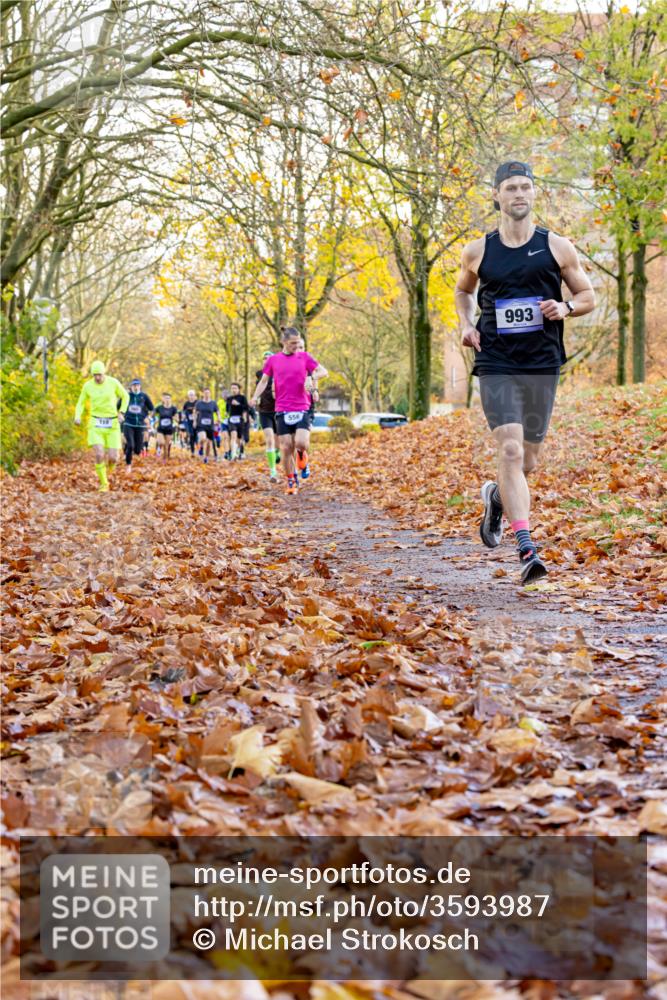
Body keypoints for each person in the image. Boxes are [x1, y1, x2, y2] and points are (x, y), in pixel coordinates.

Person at [455, 159, 595, 584]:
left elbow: (588, 294)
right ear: (496, 195)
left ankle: (497, 496)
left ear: (534, 194)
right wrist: (466, 324)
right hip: (496, 360)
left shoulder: (557, 246)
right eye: (510, 188)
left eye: (525, 187)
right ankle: (526, 547)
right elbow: (463, 291)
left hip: (541, 362)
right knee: (511, 451)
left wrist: (566, 307)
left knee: (529, 459)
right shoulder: (478, 250)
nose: (518, 194)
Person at [251, 326, 327, 495]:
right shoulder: (273, 360)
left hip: (302, 406)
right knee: (285, 447)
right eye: (293, 343)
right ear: (283, 342)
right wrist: (255, 397)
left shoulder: (305, 357)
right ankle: (291, 480)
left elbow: (324, 372)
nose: (296, 346)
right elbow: (264, 381)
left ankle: (302, 455)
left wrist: (311, 377)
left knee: (300, 443)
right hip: (282, 408)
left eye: (298, 343)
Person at [74, 360, 129, 492]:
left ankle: (107, 474)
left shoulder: (113, 382)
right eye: (95, 375)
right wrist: (77, 415)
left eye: (99, 375)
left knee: (113, 458)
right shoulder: (88, 386)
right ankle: (104, 483)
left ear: (104, 373)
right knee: (99, 454)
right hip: (95, 423)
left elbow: (125, 396)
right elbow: (81, 402)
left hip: (112, 424)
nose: (97, 378)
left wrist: (121, 411)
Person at [255, 350, 280, 480]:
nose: (266, 360)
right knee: (269, 440)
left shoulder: (279, 372)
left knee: (279, 443)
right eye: (264, 358)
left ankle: (277, 453)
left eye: (269, 358)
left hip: (278, 410)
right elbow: (259, 387)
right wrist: (255, 398)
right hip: (264, 412)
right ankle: (273, 471)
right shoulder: (260, 374)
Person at [298, 335, 318, 480]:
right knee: (290, 442)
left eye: (301, 347)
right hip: (290, 406)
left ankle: (303, 457)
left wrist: (312, 390)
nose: (298, 350)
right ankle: (292, 476)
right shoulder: (285, 365)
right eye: (296, 347)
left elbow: (314, 391)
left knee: (303, 442)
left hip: (307, 407)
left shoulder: (308, 364)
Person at [122, 377, 153, 472]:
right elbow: (118, 407)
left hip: (140, 425)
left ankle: (128, 448)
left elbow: (152, 409)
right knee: (131, 445)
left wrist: (148, 417)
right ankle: (128, 466)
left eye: (137, 385)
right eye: (134, 385)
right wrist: (120, 414)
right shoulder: (126, 396)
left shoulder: (144, 396)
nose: (136, 387)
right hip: (128, 423)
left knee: (138, 450)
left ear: (140, 386)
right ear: (131, 387)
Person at [194, 388, 220, 463]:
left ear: (210, 394)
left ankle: (206, 457)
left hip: (210, 425)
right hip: (201, 424)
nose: (206, 394)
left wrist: (218, 419)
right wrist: (195, 421)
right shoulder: (199, 403)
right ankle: (201, 447)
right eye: (205, 393)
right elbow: (195, 412)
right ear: (203, 394)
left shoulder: (213, 403)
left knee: (209, 442)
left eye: (208, 393)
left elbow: (217, 412)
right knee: (203, 438)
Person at [225, 381, 249, 460]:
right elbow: (227, 409)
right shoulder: (229, 399)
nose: (233, 390)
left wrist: (238, 404)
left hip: (240, 419)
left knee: (239, 438)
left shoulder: (242, 398)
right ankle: (233, 453)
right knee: (233, 435)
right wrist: (226, 414)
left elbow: (246, 408)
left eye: (235, 388)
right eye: (232, 388)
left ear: (239, 389)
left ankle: (240, 451)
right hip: (231, 419)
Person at [154, 392, 178, 461]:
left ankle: (165, 460)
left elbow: (177, 418)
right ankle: (158, 448)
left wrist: (174, 418)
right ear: (163, 399)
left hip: (169, 429)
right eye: (166, 398)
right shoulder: (159, 407)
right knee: (161, 442)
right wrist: (153, 419)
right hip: (160, 428)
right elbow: (153, 414)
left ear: (171, 399)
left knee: (166, 446)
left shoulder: (173, 408)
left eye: (169, 398)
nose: (167, 399)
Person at [181, 390, 198, 455]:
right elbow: (183, 411)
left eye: (192, 395)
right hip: (188, 422)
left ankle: (198, 448)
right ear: (188, 396)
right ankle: (192, 451)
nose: (191, 396)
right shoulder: (186, 403)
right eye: (190, 395)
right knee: (191, 435)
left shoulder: (197, 402)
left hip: (196, 421)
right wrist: (183, 416)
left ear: (195, 395)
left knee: (196, 435)